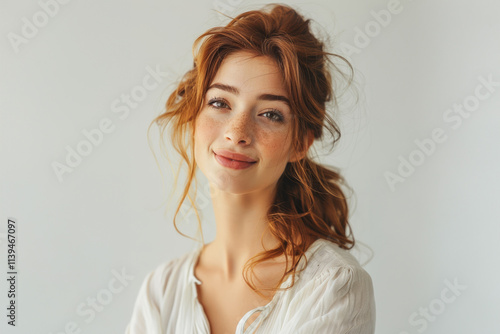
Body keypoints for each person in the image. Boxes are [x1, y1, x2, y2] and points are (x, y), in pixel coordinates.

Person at [126, 3, 375, 333]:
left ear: (301, 142)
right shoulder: (162, 291)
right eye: (220, 103)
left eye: (271, 114)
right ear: (193, 115)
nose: (237, 132)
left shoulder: (333, 285)